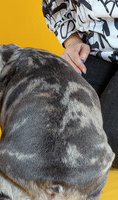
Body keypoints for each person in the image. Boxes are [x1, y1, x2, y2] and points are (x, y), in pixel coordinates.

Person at [42, 0, 118, 168]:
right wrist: (72, 41)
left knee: (108, 142)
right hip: (97, 50)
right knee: (51, 124)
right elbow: (52, 3)